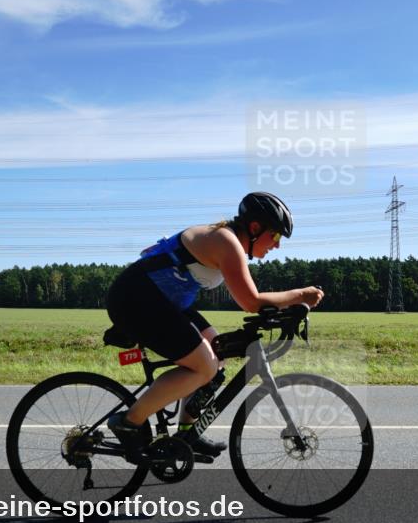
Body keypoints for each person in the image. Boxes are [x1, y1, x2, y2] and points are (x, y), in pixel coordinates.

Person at [105, 192, 324, 460]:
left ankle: (187, 433)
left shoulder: (228, 240)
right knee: (204, 365)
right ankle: (128, 423)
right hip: (136, 299)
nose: (277, 246)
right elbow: (251, 301)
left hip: (160, 301)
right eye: (276, 236)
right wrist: (301, 295)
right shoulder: (226, 242)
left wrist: (288, 308)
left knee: (217, 352)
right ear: (255, 228)